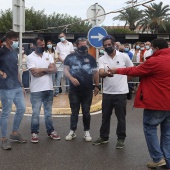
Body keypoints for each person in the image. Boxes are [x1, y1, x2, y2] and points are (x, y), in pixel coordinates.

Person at [108, 38, 170, 169]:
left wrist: (116, 70)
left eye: (152, 48)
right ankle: (167, 160)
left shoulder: (155, 61)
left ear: (157, 49)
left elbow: (135, 71)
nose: (150, 50)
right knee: (167, 133)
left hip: (157, 103)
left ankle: (158, 158)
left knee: (150, 127)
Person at [93, 35, 133, 149]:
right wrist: (106, 74)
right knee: (105, 116)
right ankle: (104, 137)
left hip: (121, 92)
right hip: (107, 93)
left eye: (109, 45)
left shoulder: (124, 56)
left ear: (114, 44)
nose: (107, 47)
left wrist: (125, 80)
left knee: (121, 117)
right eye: (105, 45)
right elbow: (100, 73)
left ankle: (121, 139)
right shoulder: (102, 58)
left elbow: (132, 70)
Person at [64, 37, 99, 142]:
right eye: (81, 45)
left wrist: (97, 85)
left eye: (85, 44)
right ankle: (72, 131)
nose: (83, 46)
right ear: (76, 45)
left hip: (87, 90)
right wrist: (71, 78)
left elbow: (95, 72)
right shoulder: (69, 57)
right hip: (74, 90)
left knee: (86, 112)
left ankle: (86, 131)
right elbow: (65, 70)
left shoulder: (91, 58)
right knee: (74, 111)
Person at [26, 37, 60, 143]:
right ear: (35, 46)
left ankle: (51, 131)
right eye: (40, 45)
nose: (43, 46)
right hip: (36, 90)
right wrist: (47, 69)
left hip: (49, 88)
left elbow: (54, 70)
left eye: (43, 44)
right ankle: (34, 133)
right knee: (35, 113)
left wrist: (42, 70)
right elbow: (34, 73)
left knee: (48, 113)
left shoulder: (48, 55)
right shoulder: (30, 57)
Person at [0, 31, 27, 150]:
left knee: (22, 108)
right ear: (8, 39)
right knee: (6, 112)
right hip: (5, 87)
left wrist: (21, 85)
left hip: (16, 86)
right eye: (15, 39)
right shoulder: (1, 51)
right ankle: (3, 139)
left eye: (17, 39)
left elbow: (16, 69)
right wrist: (1, 73)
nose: (16, 42)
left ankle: (14, 133)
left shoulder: (14, 52)